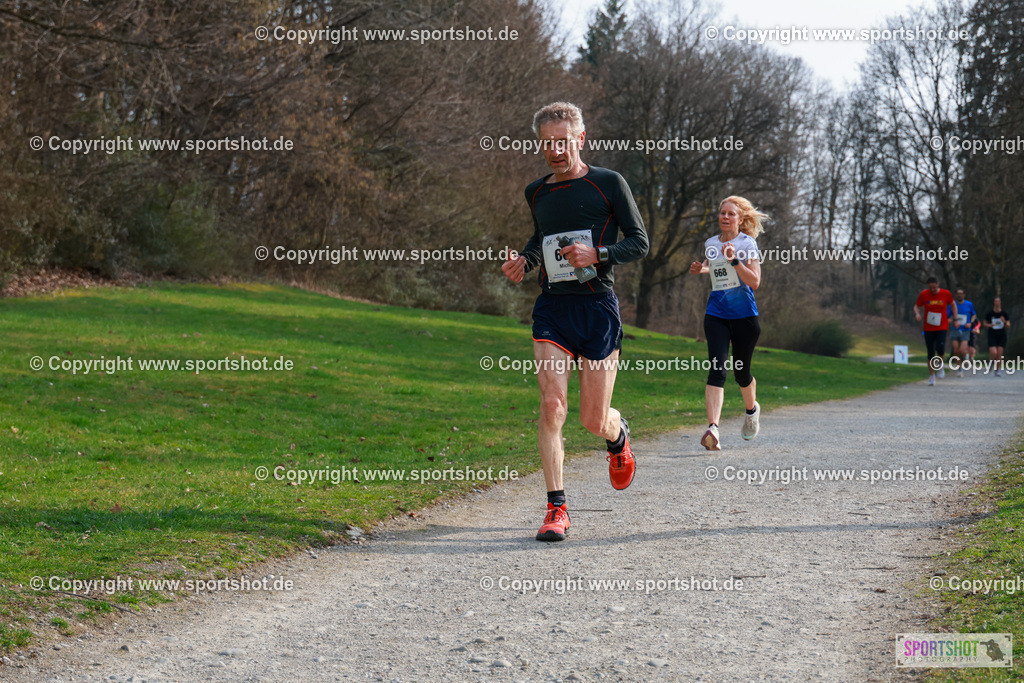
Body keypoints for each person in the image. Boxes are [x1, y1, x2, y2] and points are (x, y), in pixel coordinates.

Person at [501, 101, 649, 542]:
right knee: (552, 407)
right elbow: (540, 238)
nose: (556, 151)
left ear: (580, 139)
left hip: (597, 309)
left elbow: (639, 242)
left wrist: (599, 254)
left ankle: (617, 435)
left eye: (563, 142)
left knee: (592, 419)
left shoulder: (608, 184)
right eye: (548, 143)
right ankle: (556, 508)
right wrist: (524, 262)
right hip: (553, 309)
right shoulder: (537, 192)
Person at [688, 196, 766, 451]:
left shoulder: (747, 244)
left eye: (731, 214)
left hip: (744, 317)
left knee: (741, 373)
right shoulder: (711, 243)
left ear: (740, 219)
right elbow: (713, 268)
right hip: (717, 314)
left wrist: (735, 260)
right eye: (722, 213)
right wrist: (700, 268)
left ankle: (751, 411)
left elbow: (754, 281)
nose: (725, 217)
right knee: (717, 369)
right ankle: (713, 429)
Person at [914, 277, 956, 386]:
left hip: (942, 326)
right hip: (928, 327)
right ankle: (932, 376)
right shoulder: (924, 294)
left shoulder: (946, 293)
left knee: (941, 348)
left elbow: (953, 304)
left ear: (938, 284)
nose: (932, 289)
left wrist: (955, 318)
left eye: (934, 287)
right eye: (930, 288)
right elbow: (917, 306)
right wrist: (917, 313)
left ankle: (940, 364)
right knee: (930, 352)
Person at [947, 288, 976, 378]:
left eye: (961, 294)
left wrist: (970, 323)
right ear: (955, 295)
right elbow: (946, 317)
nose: (959, 295)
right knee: (956, 350)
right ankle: (960, 369)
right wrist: (952, 321)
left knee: (962, 350)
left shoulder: (969, 304)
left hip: (965, 330)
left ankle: (966, 356)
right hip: (955, 330)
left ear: (964, 295)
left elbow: (974, 315)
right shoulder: (952, 304)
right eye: (958, 294)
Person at [983, 297, 1011, 377]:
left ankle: (997, 370)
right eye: (995, 301)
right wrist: (989, 325)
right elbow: (984, 323)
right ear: (994, 303)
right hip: (992, 335)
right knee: (993, 352)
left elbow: (1008, 325)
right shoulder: (990, 313)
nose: (997, 303)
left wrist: (1004, 321)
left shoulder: (1004, 314)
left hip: (1002, 335)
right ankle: (991, 361)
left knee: (999, 353)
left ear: (1000, 303)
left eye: (998, 301)